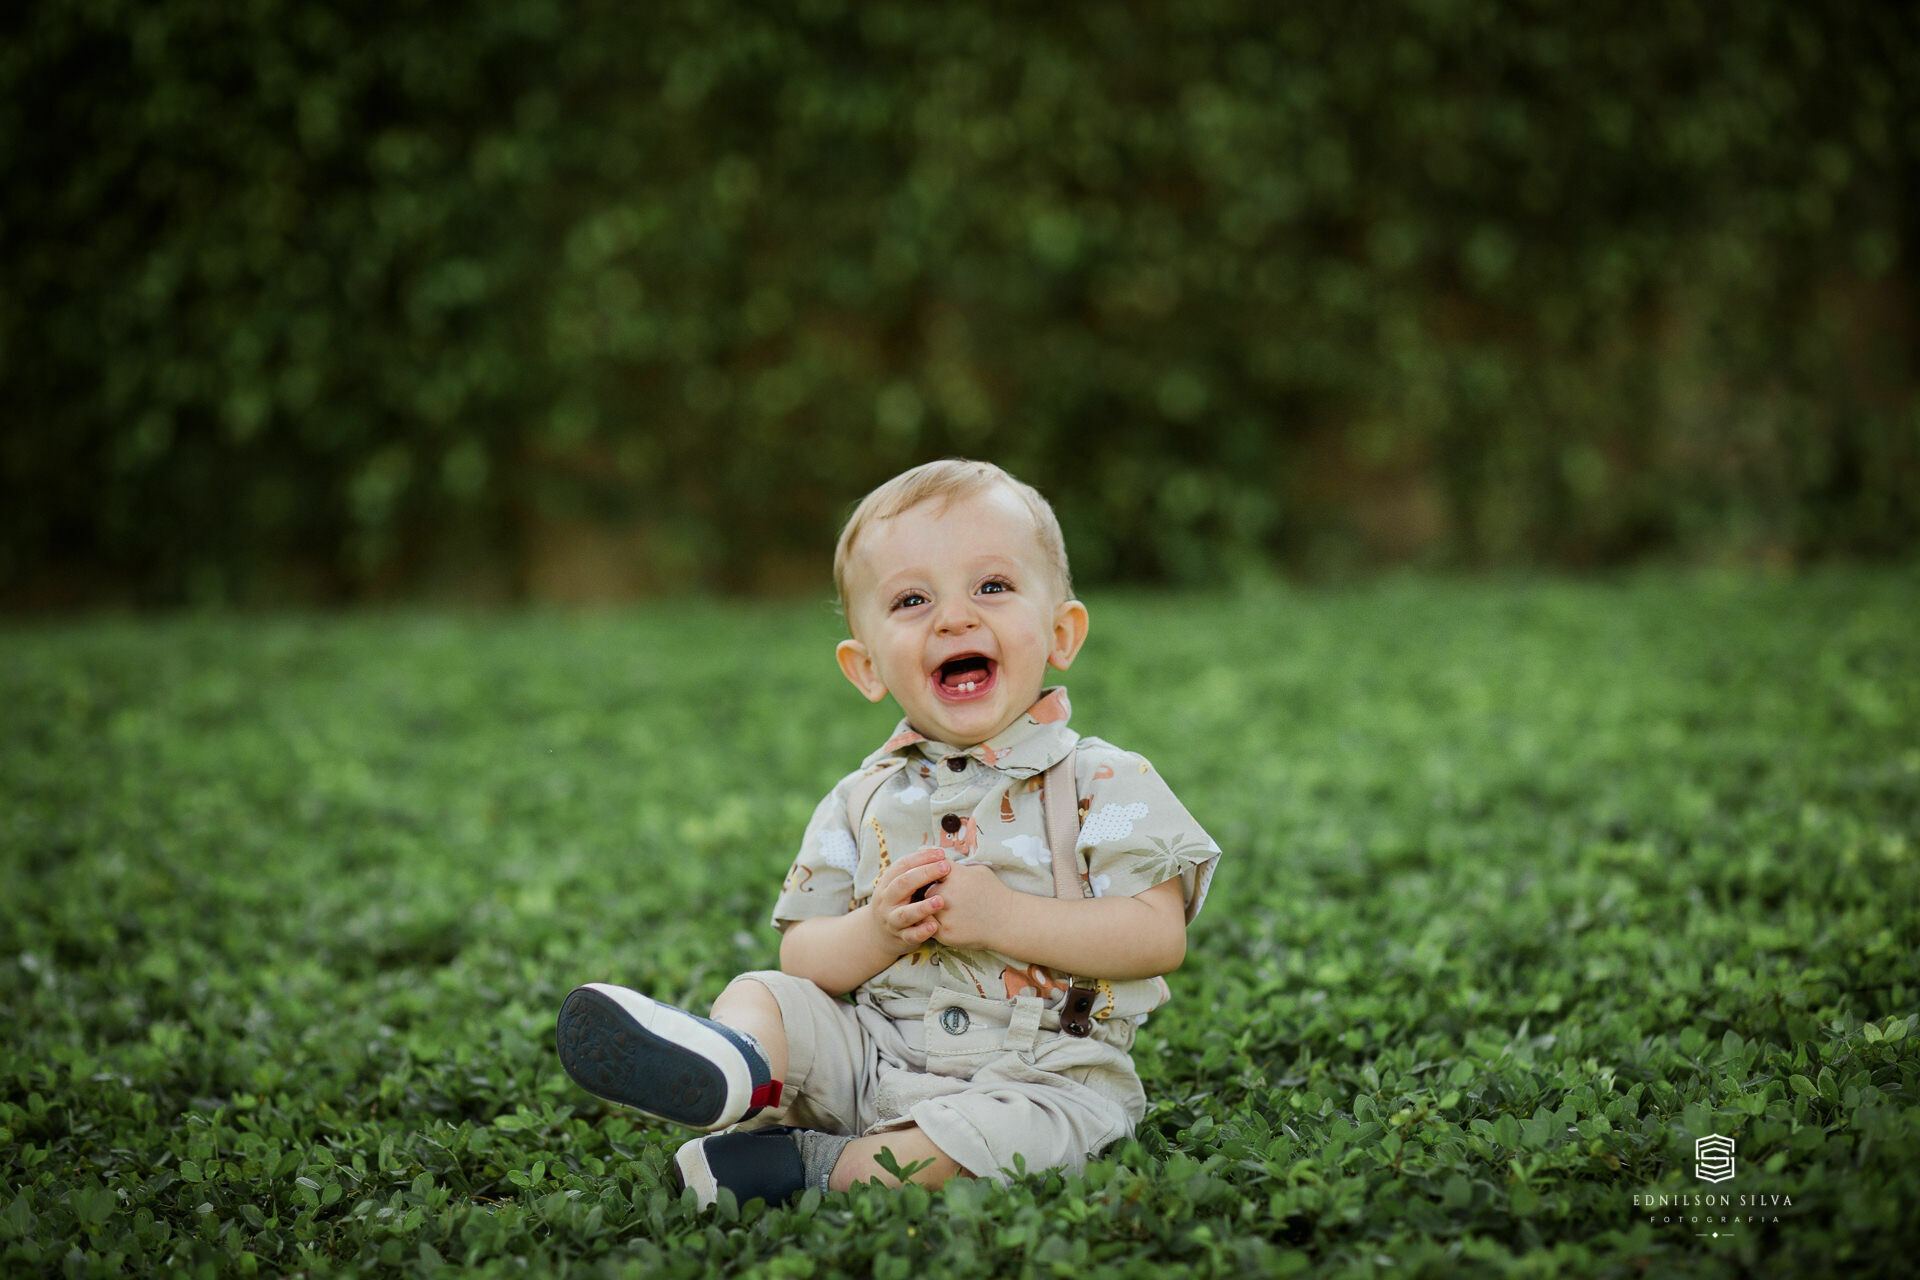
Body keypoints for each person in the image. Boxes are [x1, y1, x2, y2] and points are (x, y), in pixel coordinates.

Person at [556, 459, 1220, 1207]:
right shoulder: (860, 798)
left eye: (992, 587)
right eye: (912, 599)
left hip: (1038, 1076)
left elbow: (1156, 937)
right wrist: (876, 931)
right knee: (765, 991)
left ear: (1062, 632)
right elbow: (803, 951)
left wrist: (1003, 917)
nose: (956, 618)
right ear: (866, 667)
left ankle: (807, 1166)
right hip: (871, 1052)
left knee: (989, 1146)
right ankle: (739, 1065)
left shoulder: (1106, 780)